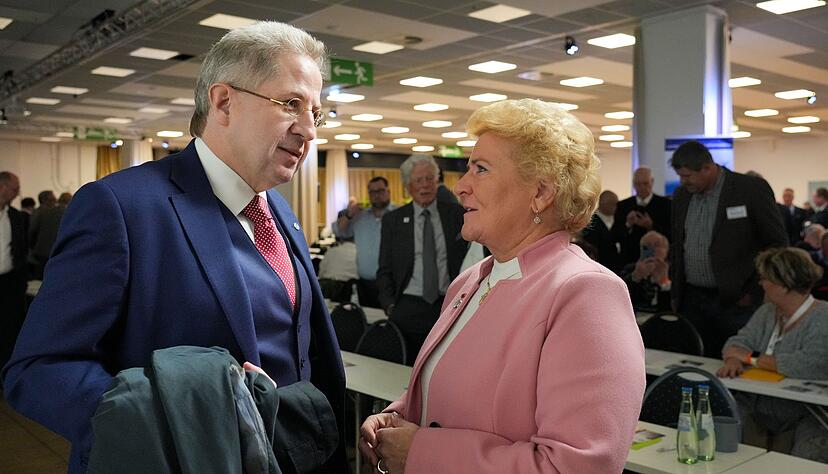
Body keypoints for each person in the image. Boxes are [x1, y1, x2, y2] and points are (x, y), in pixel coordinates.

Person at [3, 21, 347, 473]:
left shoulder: (280, 212)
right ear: (223, 102)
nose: (309, 131)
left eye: (316, 114)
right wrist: (179, 420)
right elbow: (39, 368)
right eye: (291, 104)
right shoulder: (122, 208)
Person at [361, 99, 645, 473]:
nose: (460, 187)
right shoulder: (472, 280)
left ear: (541, 193)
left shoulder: (585, 294)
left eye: (480, 169)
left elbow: (575, 466)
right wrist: (399, 417)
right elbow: (453, 386)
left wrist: (420, 452)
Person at [669, 140, 787, 357]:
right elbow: (677, 244)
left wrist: (755, 289)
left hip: (736, 300)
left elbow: (776, 243)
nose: (683, 181)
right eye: (681, 175)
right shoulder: (682, 196)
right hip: (692, 299)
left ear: (707, 167)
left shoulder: (749, 189)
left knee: (734, 362)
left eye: (687, 176)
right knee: (694, 361)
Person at [716, 247, 828, 462]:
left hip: (806, 412)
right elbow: (736, 343)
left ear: (785, 284)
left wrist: (750, 359)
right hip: (757, 405)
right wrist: (732, 359)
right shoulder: (766, 312)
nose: (761, 284)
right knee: (719, 424)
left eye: (766, 278)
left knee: (807, 454)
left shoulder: (823, 316)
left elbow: (810, 364)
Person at [376, 154, 468, 365]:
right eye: (419, 180)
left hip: (447, 305)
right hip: (407, 308)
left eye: (430, 179)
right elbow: (384, 269)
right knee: (405, 369)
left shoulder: (457, 215)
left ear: (437, 181)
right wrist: (390, 305)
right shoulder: (394, 221)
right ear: (408, 186)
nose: (425, 185)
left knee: (445, 367)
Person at [334, 176, 396, 307]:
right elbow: (339, 231)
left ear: (388, 192)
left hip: (393, 283)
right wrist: (349, 214)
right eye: (372, 192)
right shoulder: (359, 218)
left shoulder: (399, 215)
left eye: (380, 190)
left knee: (392, 324)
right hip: (365, 284)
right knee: (367, 322)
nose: (377, 195)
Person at [613, 167, 672, 266]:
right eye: (638, 184)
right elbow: (614, 236)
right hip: (630, 261)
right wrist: (627, 224)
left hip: (658, 261)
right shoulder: (623, 206)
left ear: (652, 182)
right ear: (633, 184)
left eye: (645, 183)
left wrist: (651, 226)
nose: (642, 187)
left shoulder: (666, 205)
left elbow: (672, 235)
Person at [0, 172, 27, 370]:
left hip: (9, 283)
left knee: (8, 329)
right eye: (15, 188)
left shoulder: (16, 217)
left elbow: (21, 249)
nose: (18, 193)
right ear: (3, 188)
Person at [620, 231, 671, 312]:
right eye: (647, 247)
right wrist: (636, 277)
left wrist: (664, 282)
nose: (653, 250)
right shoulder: (630, 269)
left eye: (657, 245)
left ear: (666, 250)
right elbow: (620, 299)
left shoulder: (674, 272)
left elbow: (672, 305)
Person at [580, 189, 622, 271]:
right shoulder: (591, 222)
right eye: (614, 204)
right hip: (600, 265)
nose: (616, 208)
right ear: (604, 203)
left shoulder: (618, 219)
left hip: (615, 266)